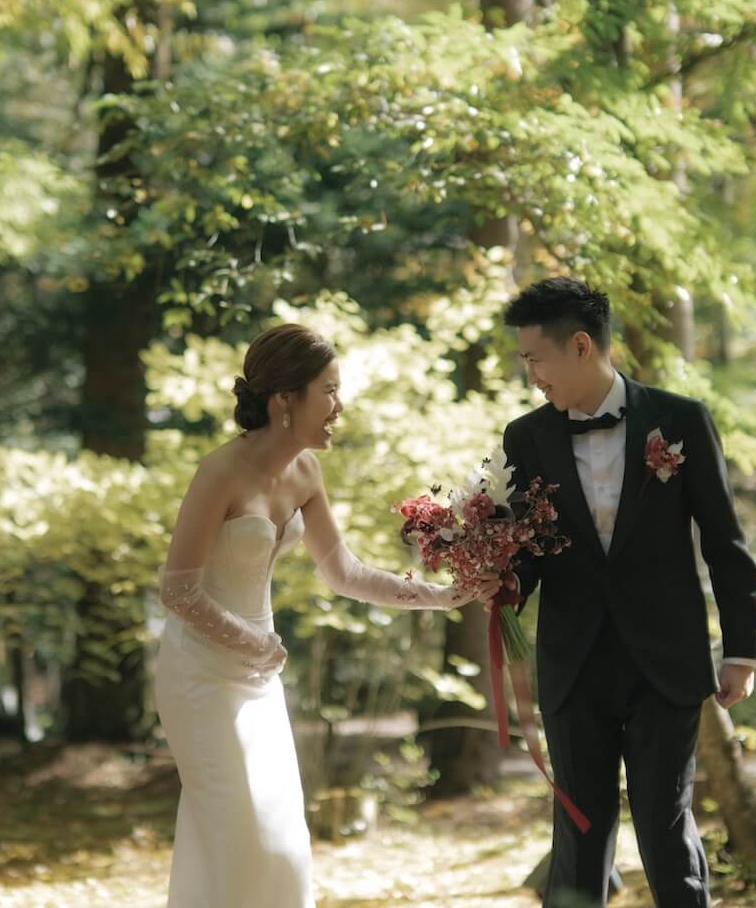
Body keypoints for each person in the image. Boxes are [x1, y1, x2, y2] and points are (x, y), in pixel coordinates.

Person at [154, 322, 504, 908]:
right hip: (200, 677)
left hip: (260, 676)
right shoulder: (219, 472)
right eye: (330, 391)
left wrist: (448, 594)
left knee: (281, 837)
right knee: (245, 837)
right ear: (284, 399)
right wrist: (251, 642)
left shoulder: (306, 473)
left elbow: (345, 573)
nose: (340, 406)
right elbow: (178, 591)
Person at [499, 277, 756, 908]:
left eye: (535, 358)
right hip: (573, 664)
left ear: (581, 346)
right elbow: (530, 551)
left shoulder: (680, 420)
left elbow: (724, 542)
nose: (530, 375)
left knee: (665, 829)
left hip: (665, 663)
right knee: (579, 835)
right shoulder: (524, 437)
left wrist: (741, 652)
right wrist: (505, 581)